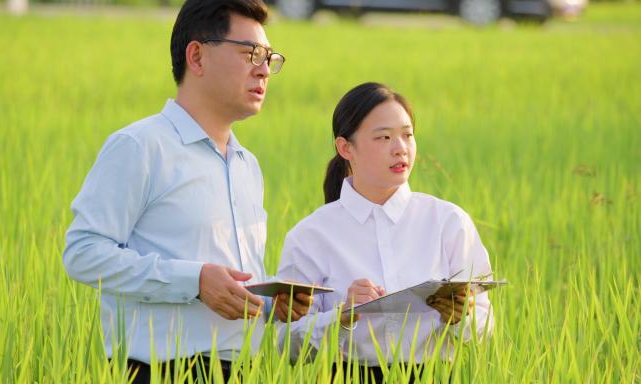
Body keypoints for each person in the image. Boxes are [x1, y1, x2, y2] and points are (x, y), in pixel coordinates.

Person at [62, 1, 311, 382]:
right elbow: (83, 254)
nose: (263, 69)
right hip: (159, 371)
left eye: (269, 57)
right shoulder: (140, 146)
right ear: (197, 56)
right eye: (250, 53)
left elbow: (231, 278)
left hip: (244, 369)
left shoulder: (248, 166)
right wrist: (194, 281)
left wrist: (269, 303)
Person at [276, 82, 494, 382]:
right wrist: (340, 316)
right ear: (345, 147)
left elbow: (485, 323)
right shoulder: (311, 236)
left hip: (436, 375)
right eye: (384, 137)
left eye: (407, 135)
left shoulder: (448, 222)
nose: (400, 148)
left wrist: (460, 318)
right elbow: (285, 342)